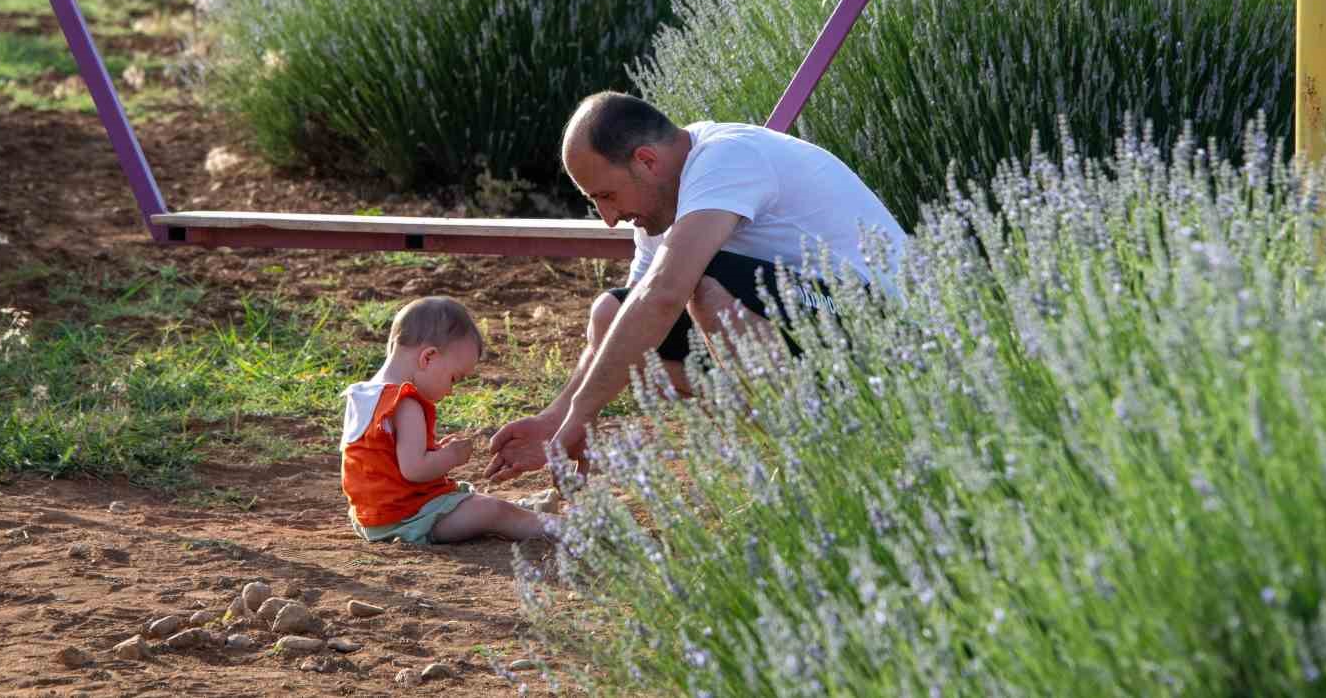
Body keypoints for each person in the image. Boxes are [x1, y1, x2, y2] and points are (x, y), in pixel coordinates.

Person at [485, 92, 906, 483]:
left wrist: (582, 414)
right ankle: (817, 447)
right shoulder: (659, 210)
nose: (608, 218)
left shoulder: (727, 157)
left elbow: (665, 295)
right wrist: (554, 421)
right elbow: (631, 326)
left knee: (704, 284)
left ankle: (826, 457)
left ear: (647, 161)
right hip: (811, 331)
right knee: (612, 315)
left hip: (882, 326)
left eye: (608, 195)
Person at [341, 296, 549, 544]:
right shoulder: (405, 402)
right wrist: (452, 456)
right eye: (454, 378)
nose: (451, 391)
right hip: (410, 517)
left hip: (372, 518)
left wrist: (435, 451)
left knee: (474, 504)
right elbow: (415, 470)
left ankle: (524, 510)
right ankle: (574, 530)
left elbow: (386, 461)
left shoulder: (363, 394)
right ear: (427, 357)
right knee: (494, 512)